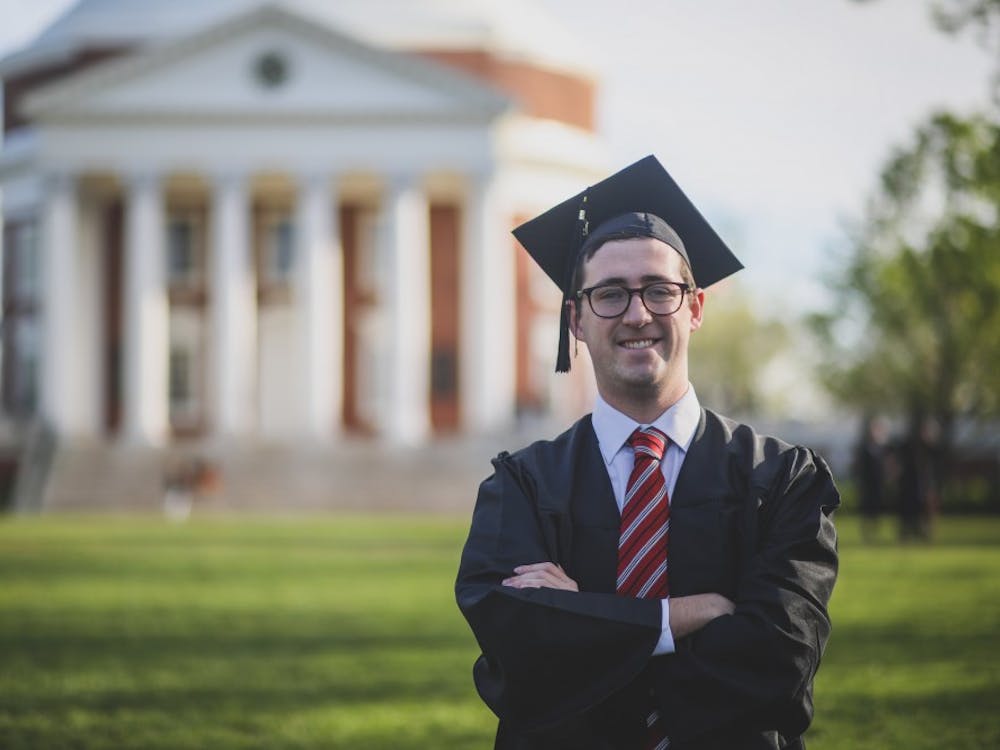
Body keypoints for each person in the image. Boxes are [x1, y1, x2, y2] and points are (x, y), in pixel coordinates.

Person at [455, 156, 840, 749]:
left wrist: (585, 623)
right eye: (609, 294)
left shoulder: (781, 481)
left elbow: (778, 664)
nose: (637, 314)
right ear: (575, 320)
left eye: (660, 291)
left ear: (696, 307)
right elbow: (518, 652)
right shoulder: (523, 486)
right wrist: (679, 618)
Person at [852, 414, 889, 543]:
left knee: (876, 508)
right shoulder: (864, 448)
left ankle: (874, 531)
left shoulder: (883, 447)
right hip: (867, 484)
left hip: (878, 484)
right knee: (867, 509)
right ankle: (867, 533)